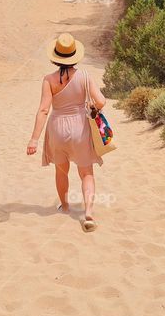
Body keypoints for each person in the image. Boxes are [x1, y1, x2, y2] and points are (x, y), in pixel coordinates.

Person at [26, 33, 106, 231]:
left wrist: (34, 140)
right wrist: (92, 108)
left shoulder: (48, 80)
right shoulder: (85, 76)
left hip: (57, 129)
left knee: (61, 170)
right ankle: (88, 213)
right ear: (75, 55)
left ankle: (65, 206)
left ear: (55, 56)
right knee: (86, 172)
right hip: (80, 127)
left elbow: (43, 110)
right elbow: (101, 101)